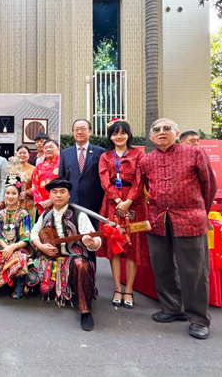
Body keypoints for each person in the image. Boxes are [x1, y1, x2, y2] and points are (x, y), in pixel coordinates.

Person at [141, 118, 217, 340]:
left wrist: (200, 211)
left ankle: (199, 319)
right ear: (151, 137)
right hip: (157, 220)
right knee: (162, 266)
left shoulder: (194, 154)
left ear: (176, 133)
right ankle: (172, 308)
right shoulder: (147, 160)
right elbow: (144, 188)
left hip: (190, 219)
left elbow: (209, 186)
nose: (161, 132)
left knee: (193, 271)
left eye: (167, 128)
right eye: (157, 130)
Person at [29, 177, 101, 331]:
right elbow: (33, 233)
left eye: (62, 192)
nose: (58, 195)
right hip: (50, 256)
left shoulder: (79, 214)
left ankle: (85, 310)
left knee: (81, 265)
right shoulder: (45, 215)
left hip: (73, 257)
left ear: (69, 195)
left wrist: (92, 242)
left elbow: (96, 240)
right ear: (50, 196)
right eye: (54, 192)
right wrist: (42, 246)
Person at [97, 119, 149, 309]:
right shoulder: (106, 156)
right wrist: (118, 200)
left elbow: (140, 179)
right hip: (112, 202)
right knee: (115, 244)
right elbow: (104, 179)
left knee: (133, 246)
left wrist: (128, 201)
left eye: (122, 133)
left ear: (128, 134)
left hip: (134, 203)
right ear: (110, 137)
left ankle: (129, 290)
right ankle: (117, 288)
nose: (118, 137)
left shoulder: (138, 154)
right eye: (114, 133)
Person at [0, 167, 32, 298]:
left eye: (13, 193)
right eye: (7, 193)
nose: (10, 196)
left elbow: (25, 238)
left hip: (19, 248)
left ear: (19, 196)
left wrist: (13, 247)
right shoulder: (0, 214)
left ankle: (16, 284)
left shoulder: (24, 214)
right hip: (2, 247)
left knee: (17, 258)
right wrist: (6, 248)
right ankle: (7, 282)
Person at [59, 119, 105, 230]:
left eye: (83, 129)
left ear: (90, 131)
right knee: (72, 233)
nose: (79, 132)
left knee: (92, 235)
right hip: (71, 202)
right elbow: (62, 178)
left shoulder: (100, 152)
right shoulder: (65, 153)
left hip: (94, 203)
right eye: (76, 129)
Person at [32, 139, 60, 217]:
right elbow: (34, 186)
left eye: (51, 147)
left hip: (59, 205)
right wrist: (41, 203)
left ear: (58, 149)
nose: (48, 149)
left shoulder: (63, 164)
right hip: (43, 207)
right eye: (46, 148)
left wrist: (52, 200)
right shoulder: (39, 167)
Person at [16, 145, 36, 221]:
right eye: (20, 153)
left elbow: (36, 186)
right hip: (13, 203)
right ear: (16, 154)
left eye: (24, 153)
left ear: (29, 155)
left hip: (29, 203)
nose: (22, 155)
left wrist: (26, 192)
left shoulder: (34, 169)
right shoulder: (11, 169)